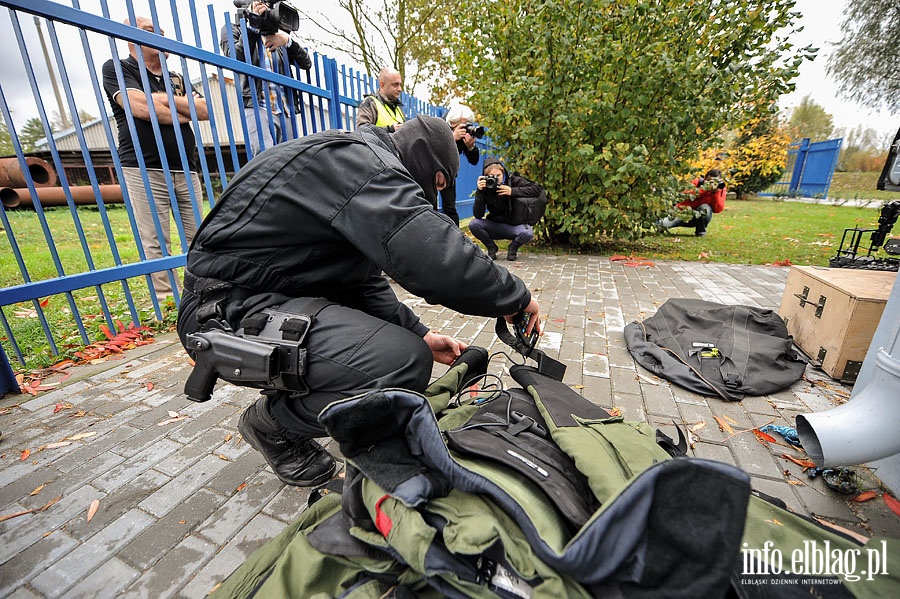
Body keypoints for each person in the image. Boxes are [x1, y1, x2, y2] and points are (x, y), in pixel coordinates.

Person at [177, 116, 541, 487]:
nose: (434, 195)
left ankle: (300, 395)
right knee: (399, 363)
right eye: (439, 182)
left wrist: (421, 333)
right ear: (423, 157)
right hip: (223, 311)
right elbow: (433, 257)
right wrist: (515, 297)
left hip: (260, 299)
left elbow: (362, 284)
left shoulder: (356, 163)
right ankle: (273, 424)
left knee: (410, 347)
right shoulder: (362, 164)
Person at [102, 16, 209, 301]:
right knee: (155, 240)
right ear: (131, 37)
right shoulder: (118, 68)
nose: (161, 36)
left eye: (162, 32)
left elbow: (204, 110)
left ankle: (199, 294)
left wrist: (159, 99)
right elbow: (141, 109)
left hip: (186, 167)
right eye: (152, 32)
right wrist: (180, 109)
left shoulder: (176, 78)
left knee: (197, 236)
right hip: (143, 166)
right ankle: (166, 299)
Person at [220, 1, 312, 156]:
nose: (265, 6)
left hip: (286, 109)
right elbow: (236, 58)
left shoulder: (277, 33)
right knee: (266, 158)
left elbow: (306, 63)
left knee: (291, 159)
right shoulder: (233, 28)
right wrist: (252, 26)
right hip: (258, 106)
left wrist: (287, 41)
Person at [468, 158, 546, 262]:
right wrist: (480, 192)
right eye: (491, 176)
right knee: (474, 224)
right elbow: (478, 215)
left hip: (514, 225)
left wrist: (512, 191)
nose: (496, 179)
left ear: (503, 172)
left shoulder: (513, 180)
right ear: (485, 177)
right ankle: (491, 248)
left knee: (527, 233)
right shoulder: (486, 187)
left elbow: (537, 189)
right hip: (495, 225)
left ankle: (512, 248)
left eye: (498, 176)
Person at [438, 105, 480, 226]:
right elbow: (433, 150)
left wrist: (470, 147)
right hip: (432, 171)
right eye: (463, 124)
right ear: (452, 123)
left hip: (450, 173)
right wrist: (452, 138)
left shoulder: (464, 134)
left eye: (468, 124)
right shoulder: (439, 127)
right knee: (430, 206)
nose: (466, 127)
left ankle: (454, 237)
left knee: (450, 208)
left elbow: (474, 161)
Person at [657, 168, 727, 237]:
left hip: (698, 217)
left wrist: (715, 193)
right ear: (705, 179)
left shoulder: (720, 189)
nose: (713, 184)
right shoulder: (697, 182)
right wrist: (704, 189)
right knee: (662, 224)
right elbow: (685, 196)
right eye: (710, 181)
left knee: (705, 208)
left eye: (716, 181)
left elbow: (718, 209)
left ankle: (700, 231)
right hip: (682, 213)